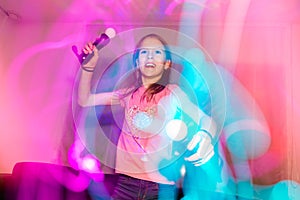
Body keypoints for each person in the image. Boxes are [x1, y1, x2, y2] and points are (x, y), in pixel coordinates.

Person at [78, 33, 217, 199]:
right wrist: (88, 67)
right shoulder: (127, 95)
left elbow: (206, 120)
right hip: (125, 184)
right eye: (144, 52)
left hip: (160, 188)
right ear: (137, 63)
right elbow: (85, 100)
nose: (150, 55)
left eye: (157, 52)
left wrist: (205, 135)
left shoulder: (173, 93)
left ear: (166, 64)